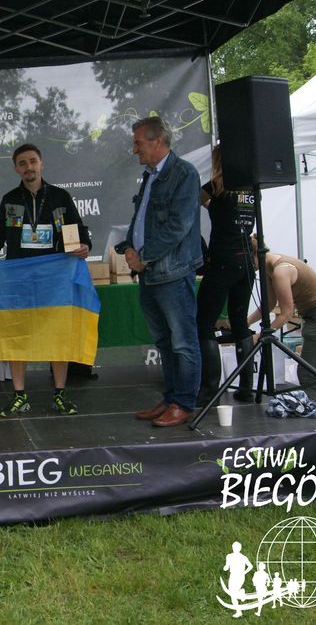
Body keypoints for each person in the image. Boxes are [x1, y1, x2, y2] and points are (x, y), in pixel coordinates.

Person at [0, 143, 91, 416]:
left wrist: (86, 245)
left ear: (41, 163)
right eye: (22, 163)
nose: (28, 167)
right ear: (16, 169)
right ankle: (20, 394)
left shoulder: (60, 196)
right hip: (18, 279)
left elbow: (77, 228)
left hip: (54, 277)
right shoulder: (10, 199)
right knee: (18, 334)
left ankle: (60, 393)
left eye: (32, 161)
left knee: (57, 334)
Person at [118, 116, 203, 427]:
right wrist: (129, 247)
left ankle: (184, 403)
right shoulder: (150, 176)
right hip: (149, 273)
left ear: (157, 141)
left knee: (183, 342)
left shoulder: (184, 174)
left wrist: (144, 256)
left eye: (138, 143)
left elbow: (179, 226)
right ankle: (170, 399)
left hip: (172, 273)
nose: (134, 149)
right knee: (165, 342)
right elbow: (141, 219)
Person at [247, 239, 316, 400]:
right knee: (310, 370)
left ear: (256, 254)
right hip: (314, 315)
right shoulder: (269, 268)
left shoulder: (280, 271)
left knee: (309, 373)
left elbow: (286, 313)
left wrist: (262, 334)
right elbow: (269, 303)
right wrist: (247, 322)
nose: (249, 266)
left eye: (249, 261)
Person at [196, 146, 256, 404]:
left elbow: (192, 201)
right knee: (240, 323)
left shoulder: (216, 185)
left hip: (222, 262)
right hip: (247, 263)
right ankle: (246, 388)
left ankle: (210, 390)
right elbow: (227, 213)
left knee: (204, 323)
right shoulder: (251, 189)